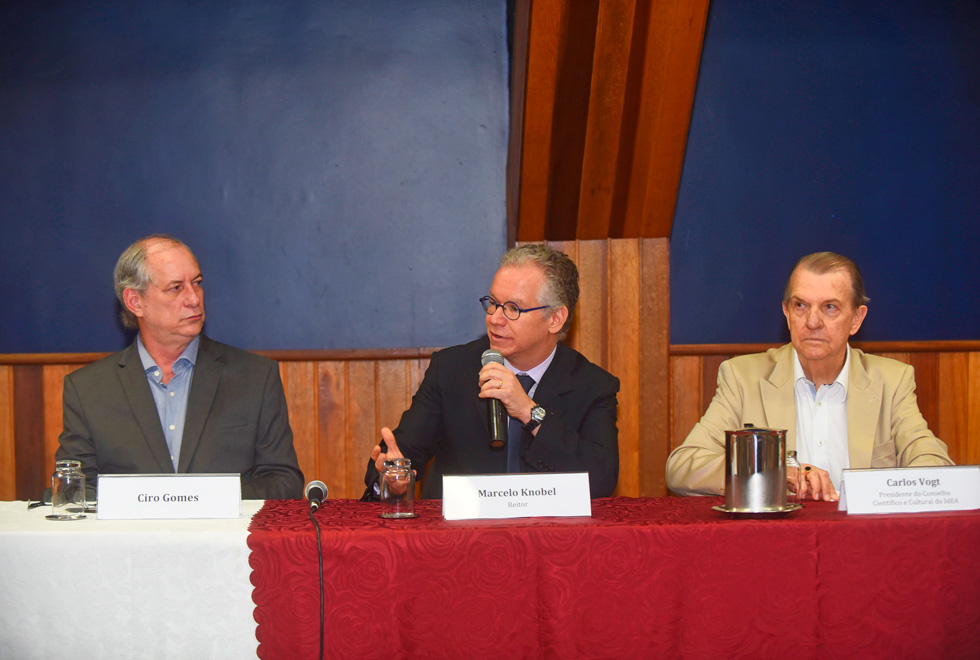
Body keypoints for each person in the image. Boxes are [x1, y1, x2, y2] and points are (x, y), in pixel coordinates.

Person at [666, 251, 953, 501]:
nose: (812, 322)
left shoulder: (892, 381)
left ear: (856, 319)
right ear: (786, 313)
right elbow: (683, 466)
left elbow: (932, 463)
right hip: (776, 542)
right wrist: (775, 473)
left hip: (864, 542)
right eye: (800, 306)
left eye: (830, 307)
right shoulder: (743, 378)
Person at [362, 244, 620, 500]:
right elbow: (401, 455)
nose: (495, 318)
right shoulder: (452, 369)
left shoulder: (592, 386)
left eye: (513, 308)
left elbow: (601, 479)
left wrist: (530, 413)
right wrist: (393, 477)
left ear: (555, 319)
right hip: (459, 537)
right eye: (494, 303)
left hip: (547, 535)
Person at [55, 235, 304, 499]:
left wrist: (202, 502)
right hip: (131, 539)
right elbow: (74, 488)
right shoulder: (88, 389)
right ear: (135, 302)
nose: (194, 299)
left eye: (196, 283)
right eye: (175, 288)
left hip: (224, 539)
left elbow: (284, 482)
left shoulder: (255, 377)